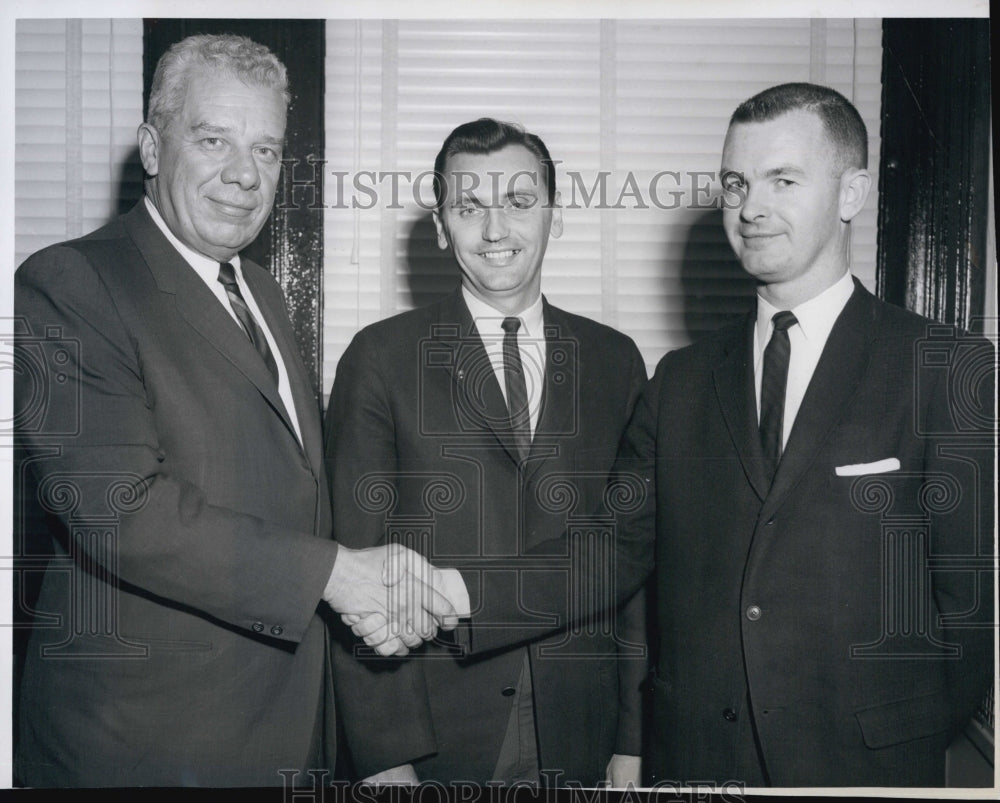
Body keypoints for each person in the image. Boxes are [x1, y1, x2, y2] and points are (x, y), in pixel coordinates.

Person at [13, 33, 451, 788]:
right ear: (152, 148)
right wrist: (337, 576)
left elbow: (295, 497)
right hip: (145, 751)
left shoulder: (264, 292)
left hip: (285, 740)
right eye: (213, 139)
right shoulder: (72, 281)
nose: (245, 175)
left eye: (268, 150)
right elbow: (120, 509)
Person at [620, 82, 994, 786]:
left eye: (782, 180)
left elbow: (972, 608)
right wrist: (460, 593)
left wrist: (895, 734)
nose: (751, 208)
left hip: (864, 767)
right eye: (735, 183)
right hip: (698, 764)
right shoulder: (679, 380)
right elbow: (610, 555)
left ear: (851, 193)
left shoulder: (946, 367)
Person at [325, 118, 649, 787]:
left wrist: (632, 736)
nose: (496, 231)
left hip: (582, 726)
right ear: (442, 226)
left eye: (519, 203)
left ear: (554, 215)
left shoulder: (616, 361)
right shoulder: (380, 357)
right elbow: (354, 564)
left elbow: (632, 560)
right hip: (439, 731)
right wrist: (386, 757)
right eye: (469, 207)